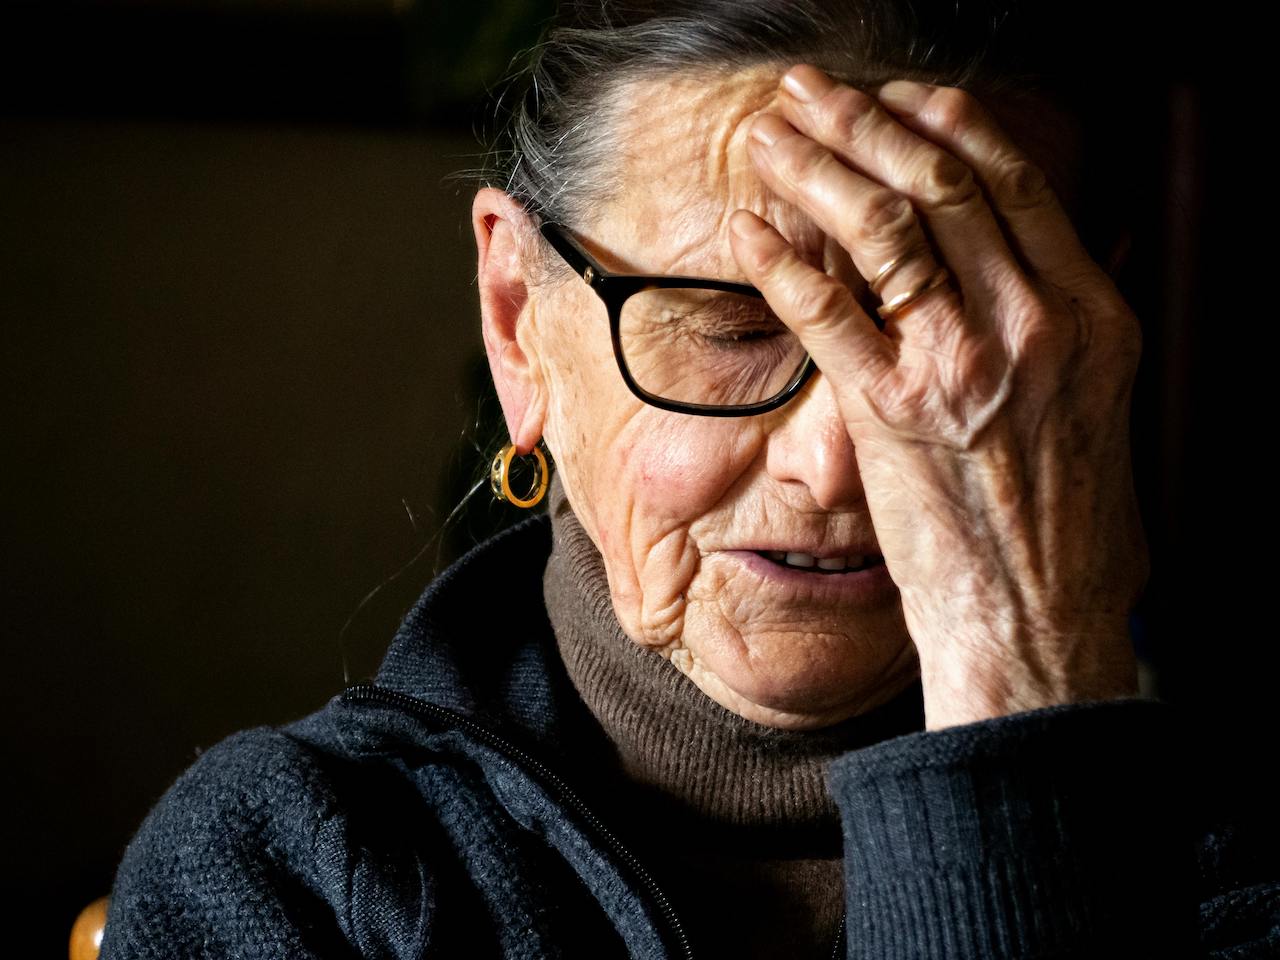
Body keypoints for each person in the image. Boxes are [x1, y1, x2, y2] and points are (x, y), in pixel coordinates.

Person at [98, 2, 1279, 958]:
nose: (833, 460)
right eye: (728, 328)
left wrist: (1019, 676)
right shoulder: (292, 866)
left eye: (949, 333)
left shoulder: (1234, 868)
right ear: (517, 324)